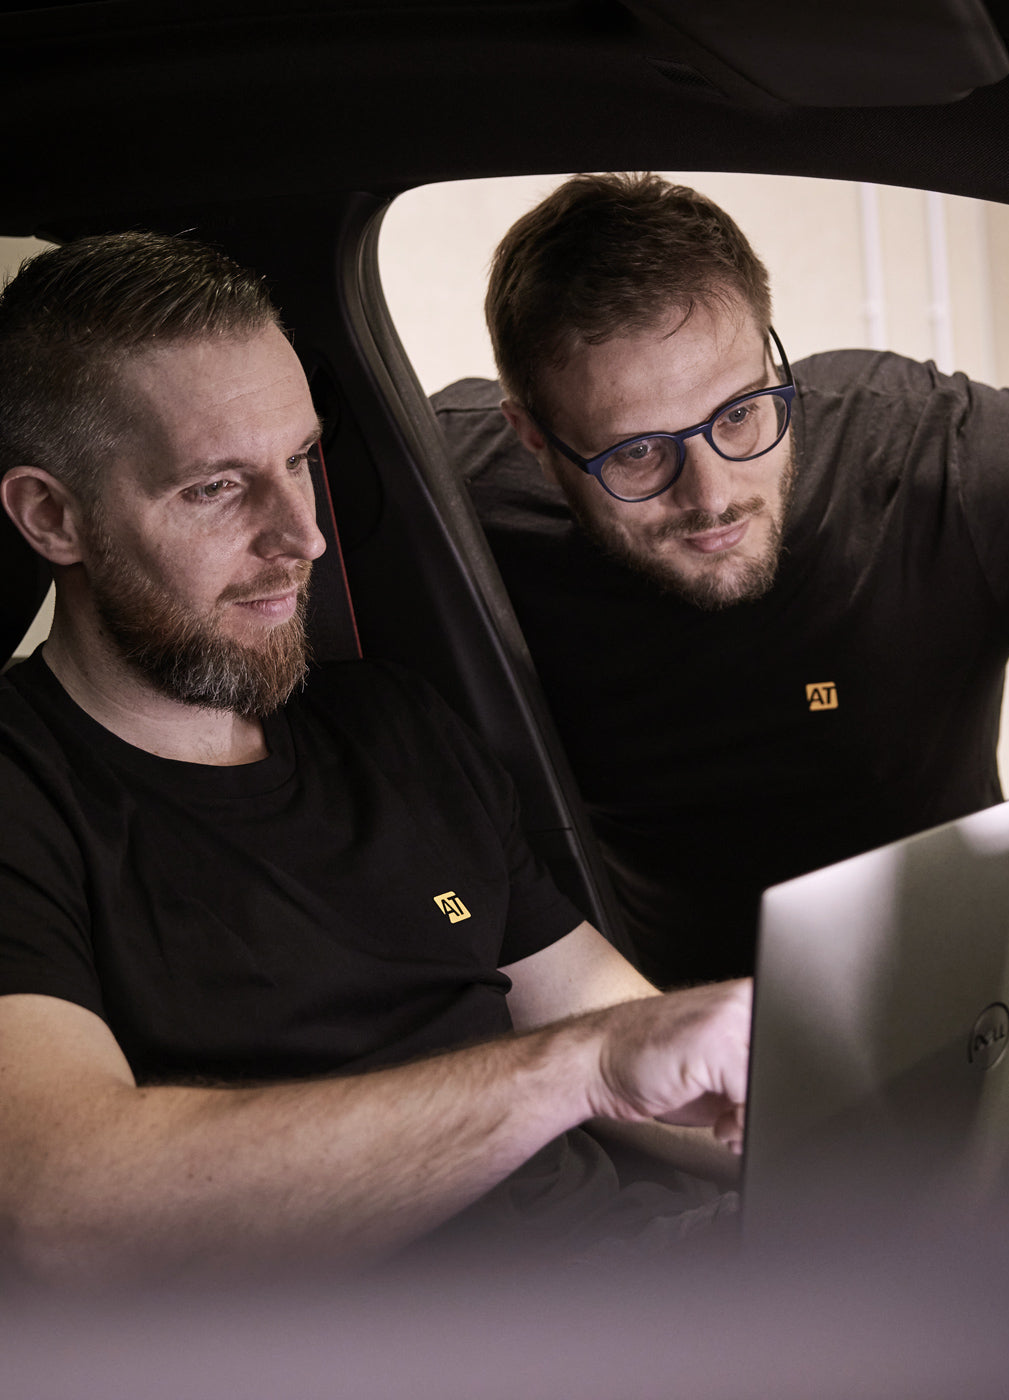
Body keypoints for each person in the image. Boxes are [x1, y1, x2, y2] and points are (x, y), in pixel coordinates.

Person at [0, 231, 752, 1287]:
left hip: (667, 1276)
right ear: (52, 516)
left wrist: (862, 1133)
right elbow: (63, 1208)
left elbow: (638, 1049)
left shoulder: (394, 725)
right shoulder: (25, 794)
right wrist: (577, 1072)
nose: (301, 537)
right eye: (216, 487)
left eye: (299, 462)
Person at [433, 171, 1009, 988]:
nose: (712, 496)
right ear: (534, 438)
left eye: (740, 414)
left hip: (963, 1019)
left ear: (773, 356)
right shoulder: (445, 511)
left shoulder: (943, 468)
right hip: (656, 1053)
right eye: (638, 454)